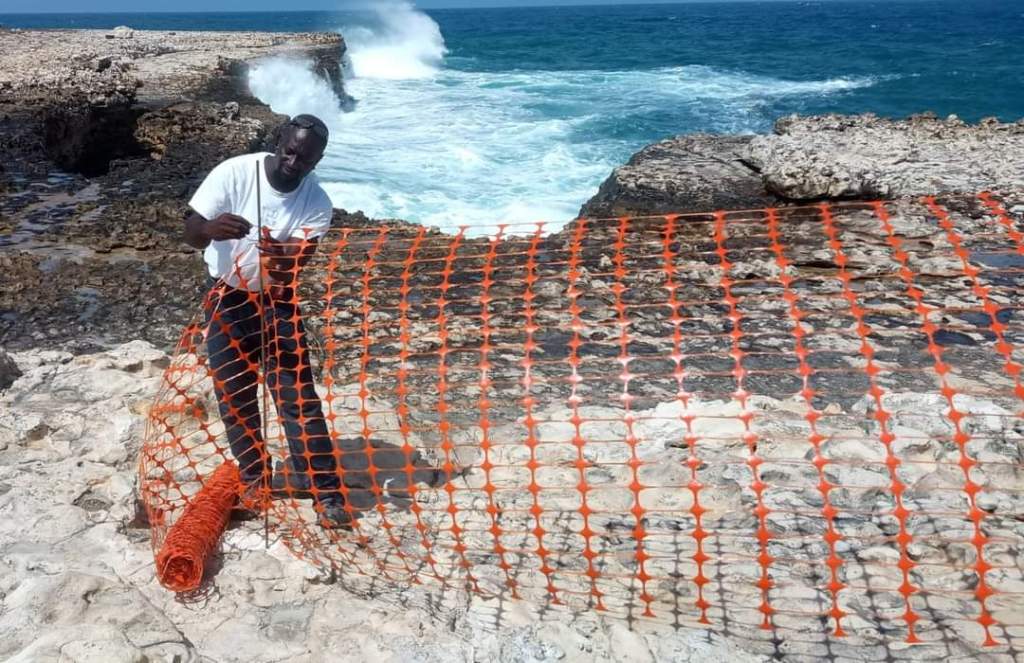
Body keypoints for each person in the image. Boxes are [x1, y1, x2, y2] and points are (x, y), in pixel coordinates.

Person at [182, 114, 351, 529]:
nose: (294, 162)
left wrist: (277, 253)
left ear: (318, 159)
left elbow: (296, 263)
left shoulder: (317, 202)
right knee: (235, 396)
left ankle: (325, 492)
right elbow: (190, 229)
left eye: (305, 158)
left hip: (278, 302)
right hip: (226, 299)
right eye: (290, 151)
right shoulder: (234, 172)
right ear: (279, 141)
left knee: (298, 400)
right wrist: (210, 228)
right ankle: (256, 478)